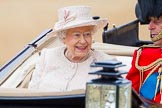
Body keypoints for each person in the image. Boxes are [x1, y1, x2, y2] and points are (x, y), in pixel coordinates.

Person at [28, 5, 115, 92]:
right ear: (63, 38)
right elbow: (31, 95)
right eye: (76, 35)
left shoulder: (106, 63)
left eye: (87, 34)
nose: (83, 41)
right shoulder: (46, 57)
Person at [126, 0, 162, 104]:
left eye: (157, 22)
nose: (150, 27)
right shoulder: (144, 55)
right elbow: (129, 95)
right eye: (150, 21)